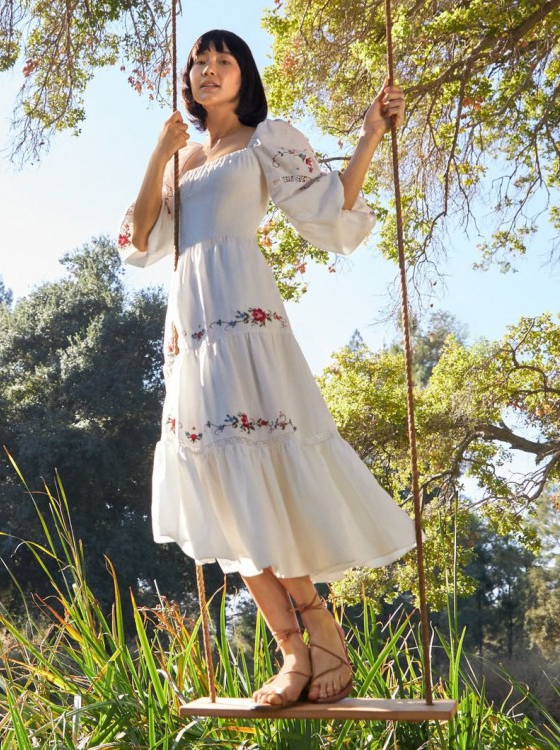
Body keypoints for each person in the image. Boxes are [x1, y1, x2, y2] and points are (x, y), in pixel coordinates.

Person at [118, 29, 416, 708]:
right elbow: (138, 239)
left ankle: (320, 634)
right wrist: (158, 155)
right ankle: (293, 652)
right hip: (190, 333)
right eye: (200, 61)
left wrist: (370, 134)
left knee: (256, 467)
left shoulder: (264, 140)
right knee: (218, 483)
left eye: (223, 61)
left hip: (243, 319)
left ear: (243, 76)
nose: (209, 69)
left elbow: (330, 206)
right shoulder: (180, 156)